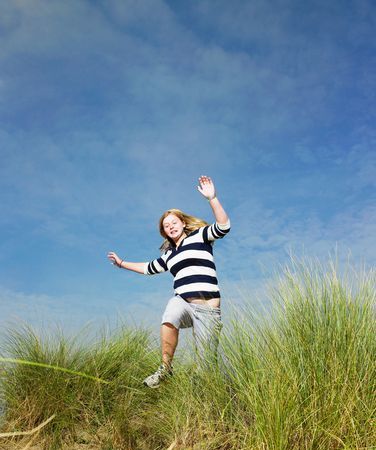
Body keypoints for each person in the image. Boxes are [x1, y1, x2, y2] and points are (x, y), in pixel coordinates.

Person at [107, 175, 230, 388]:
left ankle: (206, 399)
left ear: (183, 223)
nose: (171, 226)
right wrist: (122, 263)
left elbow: (223, 226)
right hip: (183, 302)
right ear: (164, 232)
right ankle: (165, 368)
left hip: (208, 309)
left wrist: (212, 198)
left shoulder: (200, 237)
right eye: (166, 225)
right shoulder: (169, 255)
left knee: (206, 368)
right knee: (170, 312)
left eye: (174, 222)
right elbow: (147, 268)